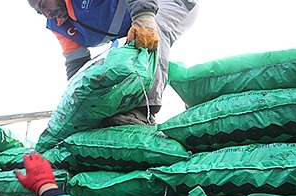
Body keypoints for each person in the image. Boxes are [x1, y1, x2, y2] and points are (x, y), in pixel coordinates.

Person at [27, 0, 199, 125]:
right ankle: (120, 109)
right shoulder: (59, 26)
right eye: (39, 11)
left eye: (43, 4)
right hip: (132, 19)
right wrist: (78, 106)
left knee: (149, 32)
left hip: (166, 3)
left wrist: (144, 15)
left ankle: (143, 110)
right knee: (111, 64)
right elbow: (77, 65)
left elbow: (144, 19)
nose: (46, 13)